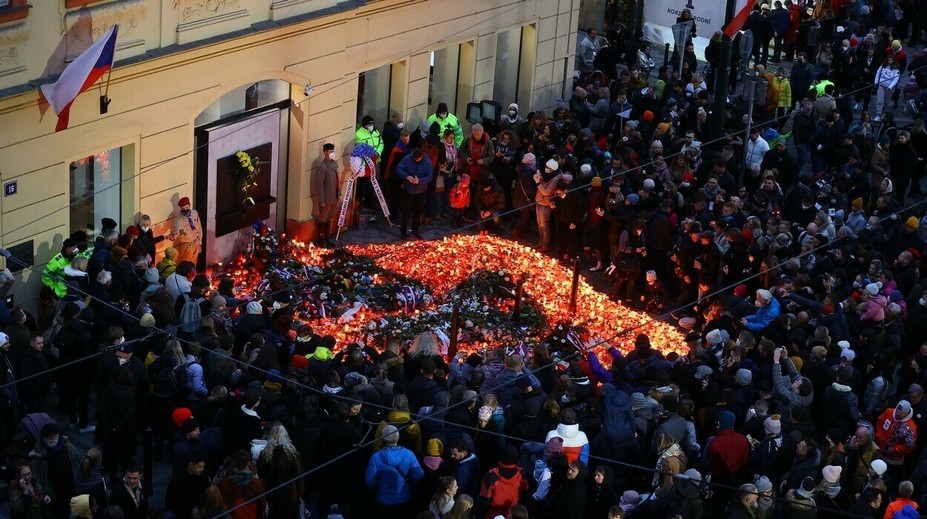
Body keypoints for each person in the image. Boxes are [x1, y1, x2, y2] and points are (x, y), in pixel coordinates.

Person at [365, 424, 424, 519]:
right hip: (404, 497)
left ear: (383, 438)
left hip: (384, 499)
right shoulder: (409, 454)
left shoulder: (376, 457)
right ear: (398, 437)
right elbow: (419, 475)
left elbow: (369, 481)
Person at [396, 148, 433, 241]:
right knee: (406, 212)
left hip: (421, 191)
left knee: (418, 212)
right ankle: (403, 233)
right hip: (409, 190)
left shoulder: (428, 162)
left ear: (422, 156)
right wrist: (406, 176)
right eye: (415, 158)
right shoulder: (407, 158)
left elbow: (430, 176)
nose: (416, 160)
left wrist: (419, 181)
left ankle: (415, 231)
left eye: (418, 159)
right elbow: (398, 168)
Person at [165, 452, 210, 519]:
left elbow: (206, 493)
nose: (202, 469)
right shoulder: (177, 480)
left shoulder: (203, 477)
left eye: (203, 466)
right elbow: (170, 501)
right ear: (190, 465)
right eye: (199, 467)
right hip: (183, 513)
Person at [311, 143, 340, 247]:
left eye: (333, 151)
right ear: (325, 152)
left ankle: (327, 237)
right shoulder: (322, 166)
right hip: (326, 198)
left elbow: (337, 178)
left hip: (334, 196)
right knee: (322, 218)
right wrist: (321, 200)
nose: (333, 153)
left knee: (329, 217)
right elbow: (319, 185)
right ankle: (321, 238)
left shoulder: (335, 163)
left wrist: (338, 194)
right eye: (330, 151)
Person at [355, 115, 384, 211]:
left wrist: (378, 152)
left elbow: (381, 143)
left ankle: (370, 202)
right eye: (369, 124)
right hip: (363, 164)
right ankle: (358, 204)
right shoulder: (359, 134)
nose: (371, 125)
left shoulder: (376, 132)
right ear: (364, 125)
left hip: (375, 163)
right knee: (361, 185)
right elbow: (359, 148)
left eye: (372, 124)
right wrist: (370, 154)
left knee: (372, 184)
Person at [171, 197, 203, 266]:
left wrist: (200, 242)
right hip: (186, 245)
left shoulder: (195, 213)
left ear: (189, 205)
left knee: (194, 264)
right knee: (186, 265)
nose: (185, 210)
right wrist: (174, 235)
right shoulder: (178, 220)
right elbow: (176, 231)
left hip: (196, 242)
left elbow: (199, 228)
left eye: (186, 207)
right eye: (183, 209)